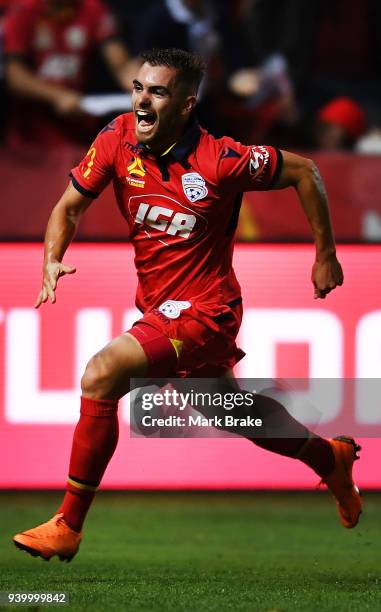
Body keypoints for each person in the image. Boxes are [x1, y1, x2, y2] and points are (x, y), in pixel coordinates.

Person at [13, 48, 361, 562]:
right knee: (230, 411)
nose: (142, 101)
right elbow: (69, 205)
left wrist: (325, 256)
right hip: (161, 308)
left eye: (157, 92)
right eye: (138, 88)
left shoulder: (221, 160)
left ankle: (67, 523)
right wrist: (50, 260)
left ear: (185, 103)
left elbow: (306, 171)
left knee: (101, 373)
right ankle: (327, 458)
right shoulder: (116, 139)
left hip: (208, 310)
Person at [3, 0, 137, 147]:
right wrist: (57, 96)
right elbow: (14, 75)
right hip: (29, 133)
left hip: (77, 126)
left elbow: (121, 64)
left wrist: (140, 84)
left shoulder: (92, 8)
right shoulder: (23, 10)